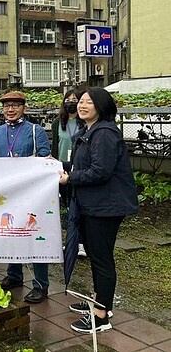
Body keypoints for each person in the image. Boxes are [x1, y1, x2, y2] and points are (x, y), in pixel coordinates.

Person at [58, 87, 138, 334]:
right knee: (95, 254)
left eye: (88, 102)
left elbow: (100, 171)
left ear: (101, 107)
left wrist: (69, 179)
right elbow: (83, 164)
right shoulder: (88, 131)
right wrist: (59, 166)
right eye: (80, 101)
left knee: (102, 258)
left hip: (105, 207)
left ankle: (101, 316)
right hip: (94, 204)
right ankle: (98, 299)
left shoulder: (104, 133)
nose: (81, 106)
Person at [0, 90, 51, 304]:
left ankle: (41, 285)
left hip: (32, 193)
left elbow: (45, 157)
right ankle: (14, 275)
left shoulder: (36, 130)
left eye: (15, 105)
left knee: (33, 236)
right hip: (6, 194)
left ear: (24, 107)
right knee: (10, 232)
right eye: (6, 106)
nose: (10, 109)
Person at [51, 88, 87, 257]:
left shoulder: (84, 123)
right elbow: (56, 146)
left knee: (78, 205)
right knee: (67, 205)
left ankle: (81, 242)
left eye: (75, 99)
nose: (71, 102)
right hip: (62, 167)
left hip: (78, 167)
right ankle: (70, 241)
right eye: (68, 99)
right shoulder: (58, 122)